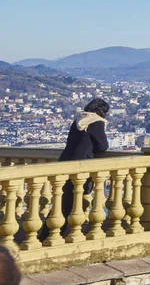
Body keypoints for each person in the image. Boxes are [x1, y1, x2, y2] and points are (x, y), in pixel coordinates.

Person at [59, 98, 110, 230]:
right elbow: (103, 146)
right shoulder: (95, 122)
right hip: (81, 165)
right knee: (73, 201)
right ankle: (63, 231)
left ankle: (52, 231)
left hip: (65, 162)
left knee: (64, 201)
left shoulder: (78, 120)